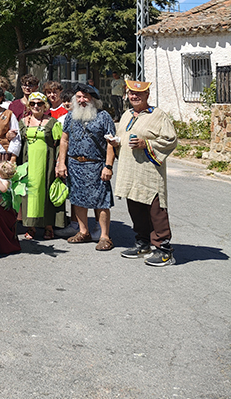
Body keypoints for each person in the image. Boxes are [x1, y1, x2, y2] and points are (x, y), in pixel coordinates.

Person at [113, 79, 179, 266]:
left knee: (156, 209)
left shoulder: (158, 115)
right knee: (135, 207)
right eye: (131, 93)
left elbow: (171, 140)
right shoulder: (126, 115)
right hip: (130, 171)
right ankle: (143, 243)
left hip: (149, 172)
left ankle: (164, 250)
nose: (134, 96)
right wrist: (116, 143)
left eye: (139, 94)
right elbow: (123, 138)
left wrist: (146, 144)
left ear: (147, 95)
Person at [56, 84, 116, 250]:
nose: (81, 100)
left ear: (93, 99)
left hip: (96, 165)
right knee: (78, 199)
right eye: (79, 97)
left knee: (101, 202)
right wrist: (61, 163)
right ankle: (84, 232)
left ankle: (104, 236)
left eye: (85, 97)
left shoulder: (103, 117)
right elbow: (64, 140)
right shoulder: (71, 116)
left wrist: (108, 166)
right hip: (75, 165)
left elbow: (110, 143)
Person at [18, 91, 64, 241]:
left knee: (45, 192)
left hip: (46, 162)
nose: (36, 106)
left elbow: (60, 144)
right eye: (32, 103)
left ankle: (48, 226)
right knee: (29, 193)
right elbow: (18, 143)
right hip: (28, 162)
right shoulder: (23, 122)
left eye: (39, 103)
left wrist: (59, 163)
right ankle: (30, 226)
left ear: (45, 106)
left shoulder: (52, 122)